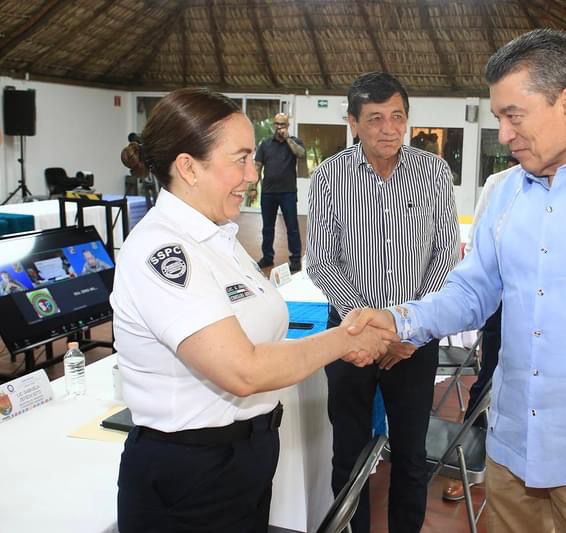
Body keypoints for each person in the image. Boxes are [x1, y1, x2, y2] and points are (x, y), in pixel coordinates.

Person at [345, 29, 566, 533]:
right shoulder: (506, 192)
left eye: (514, 116)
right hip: (511, 454)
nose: (505, 134)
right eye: (498, 119)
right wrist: (399, 319)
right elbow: (472, 291)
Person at [114, 88, 396, 533]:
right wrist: (345, 338)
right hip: (191, 474)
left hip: (244, 461)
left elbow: (261, 336)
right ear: (188, 167)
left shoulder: (220, 238)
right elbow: (241, 370)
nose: (252, 174)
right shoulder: (163, 249)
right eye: (240, 159)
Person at [306, 71, 460, 533]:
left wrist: (406, 329)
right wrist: (371, 331)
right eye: (375, 118)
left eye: (397, 116)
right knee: (348, 455)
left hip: (414, 344)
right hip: (350, 342)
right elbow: (320, 260)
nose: (389, 128)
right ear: (353, 122)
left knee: (411, 456)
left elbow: (445, 256)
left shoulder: (433, 172)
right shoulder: (330, 175)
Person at [442, 156, 519, 503]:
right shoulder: (499, 183)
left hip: (556, 319)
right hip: (503, 308)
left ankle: (520, 475)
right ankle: (469, 467)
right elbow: (476, 250)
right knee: (488, 384)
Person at [254, 112, 305, 272]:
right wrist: (253, 187)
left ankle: (295, 259)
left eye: (282, 124)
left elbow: (301, 154)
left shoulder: (295, 142)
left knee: (292, 227)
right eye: (276, 124)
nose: (279, 127)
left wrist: (288, 139)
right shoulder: (265, 144)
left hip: (288, 192)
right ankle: (267, 257)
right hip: (268, 192)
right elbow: (257, 166)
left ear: (287, 126)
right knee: (267, 228)